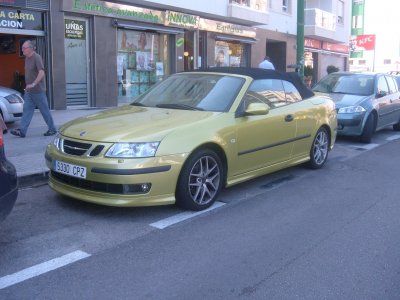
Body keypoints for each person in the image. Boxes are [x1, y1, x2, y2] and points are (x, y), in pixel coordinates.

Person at [11, 40, 56, 138]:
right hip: (29, 91)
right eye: (22, 48)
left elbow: (41, 72)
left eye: (24, 48)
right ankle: (22, 131)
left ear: (30, 48)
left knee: (45, 111)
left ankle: (52, 129)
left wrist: (33, 84)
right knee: (27, 110)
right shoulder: (27, 58)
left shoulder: (37, 57)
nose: (22, 50)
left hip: (38, 91)